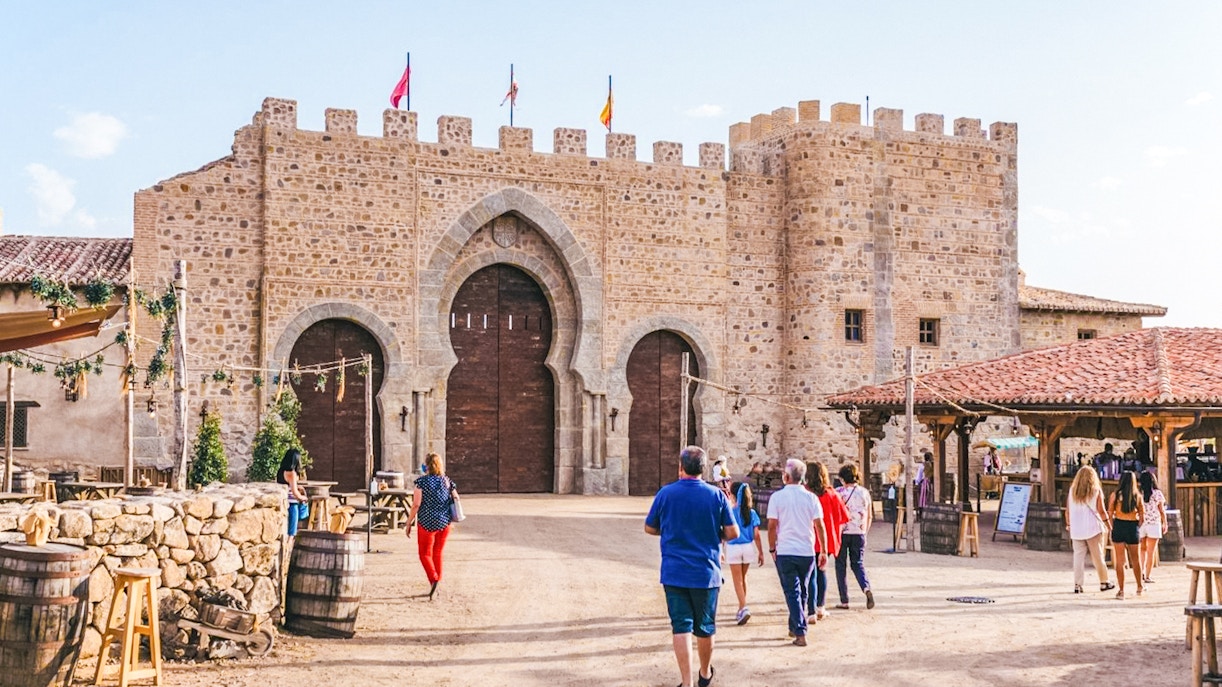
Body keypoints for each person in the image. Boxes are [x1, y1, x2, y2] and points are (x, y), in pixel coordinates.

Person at [645, 446, 737, 687]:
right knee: (705, 627)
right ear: (704, 469)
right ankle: (704, 673)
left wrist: (670, 530)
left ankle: (686, 682)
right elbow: (733, 531)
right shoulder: (716, 496)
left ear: (680, 467)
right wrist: (714, 533)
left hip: (674, 572)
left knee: (681, 627)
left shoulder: (665, 494)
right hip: (706, 573)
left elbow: (650, 527)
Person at [766, 459, 826, 647]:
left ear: (786, 476)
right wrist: (823, 550)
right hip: (806, 551)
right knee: (803, 590)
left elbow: (772, 526)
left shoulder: (777, 497)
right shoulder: (811, 498)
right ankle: (794, 625)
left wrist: (772, 548)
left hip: (786, 550)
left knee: (792, 591)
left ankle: (800, 631)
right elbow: (819, 525)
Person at [405, 452, 456, 601]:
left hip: (427, 522)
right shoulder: (447, 481)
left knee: (424, 554)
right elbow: (456, 497)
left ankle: (434, 580)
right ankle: (436, 585)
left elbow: (416, 504)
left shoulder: (421, 482)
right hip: (444, 523)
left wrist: (409, 522)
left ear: (426, 465)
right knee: (438, 553)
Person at [806, 462, 849, 621]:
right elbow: (844, 517)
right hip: (827, 539)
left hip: (809, 537)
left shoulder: (806, 493)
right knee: (822, 571)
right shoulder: (832, 494)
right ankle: (820, 606)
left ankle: (810, 609)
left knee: (810, 574)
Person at [719, 478, 763, 626]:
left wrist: (721, 549)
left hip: (734, 547)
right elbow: (756, 534)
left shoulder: (730, 512)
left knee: (737, 580)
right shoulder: (751, 513)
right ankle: (741, 606)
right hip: (748, 547)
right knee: (743, 578)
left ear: (732, 495)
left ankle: (744, 607)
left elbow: (725, 531)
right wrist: (761, 552)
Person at [1064, 465, 1114, 593]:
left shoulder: (1072, 491)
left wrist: (1069, 524)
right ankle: (1104, 581)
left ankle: (1078, 584)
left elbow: (1068, 510)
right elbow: (1101, 511)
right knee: (1097, 556)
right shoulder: (1095, 490)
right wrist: (1109, 525)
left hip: (1076, 528)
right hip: (1092, 528)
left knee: (1078, 557)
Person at [834, 463, 875, 610]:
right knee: (857, 563)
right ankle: (866, 588)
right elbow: (869, 515)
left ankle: (844, 600)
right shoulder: (864, 493)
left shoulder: (838, 492)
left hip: (842, 533)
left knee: (840, 566)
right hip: (859, 532)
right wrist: (865, 531)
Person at [1108, 470, 1146, 599]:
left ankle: (1121, 590)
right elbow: (1142, 516)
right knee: (1136, 560)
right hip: (1132, 526)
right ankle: (1139, 586)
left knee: (1120, 560)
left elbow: (1109, 513)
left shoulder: (1115, 495)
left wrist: (1112, 527)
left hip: (1119, 524)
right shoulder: (1137, 496)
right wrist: (1137, 526)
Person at [1138, 471, 1168, 585]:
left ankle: (1140, 573)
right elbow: (1161, 510)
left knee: (1142, 550)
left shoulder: (1138, 493)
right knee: (1151, 552)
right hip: (1154, 524)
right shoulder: (1157, 494)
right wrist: (1165, 523)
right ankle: (1148, 575)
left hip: (1141, 524)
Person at [276, 448, 309, 539]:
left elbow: (285, 485)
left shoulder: (280, 471)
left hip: (283, 502)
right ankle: (289, 550)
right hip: (292, 504)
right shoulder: (292, 473)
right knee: (291, 533)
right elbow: (295, 493)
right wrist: (304, 498)